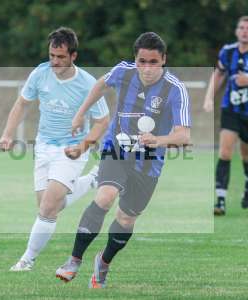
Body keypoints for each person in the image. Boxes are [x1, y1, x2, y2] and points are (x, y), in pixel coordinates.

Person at [55, 32, 191, 288]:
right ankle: (74, 260)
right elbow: (100, 84)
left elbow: (184, 135)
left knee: (127, 219)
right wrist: (80, 113)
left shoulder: (175, 89)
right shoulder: (123, 71)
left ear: (164, 60)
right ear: (135, 59)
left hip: (149, 163)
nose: (147, 68)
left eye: (153, 62)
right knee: (105, 196)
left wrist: (158, 140)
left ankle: (103, 263)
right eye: (142, 61)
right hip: (115, 149)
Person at [0, 27, 110, 271]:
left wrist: (82, 147)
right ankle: (93, 179)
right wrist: (7, 134)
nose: (55, 61)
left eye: (61, 57)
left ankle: (26, 260)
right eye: (52, 56)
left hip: (71, 150)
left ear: (73, 56)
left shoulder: (88, 84)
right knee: (50, 207)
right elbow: (22, 103)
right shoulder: (40, 73)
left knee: (48, 208)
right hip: (43, 146)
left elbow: (103, 120)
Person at [203, 15, 248, 215]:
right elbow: (219, 73)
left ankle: (247, 187)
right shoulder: (227, 52)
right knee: (225, 152)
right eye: (241, 27)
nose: (244, 31)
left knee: (246, 155)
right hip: (230, 109)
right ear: (236, 30)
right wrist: (209, 97)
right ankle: (220, 200)